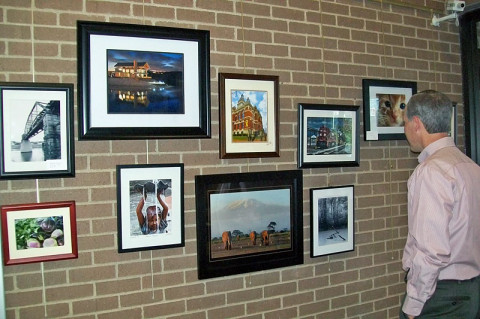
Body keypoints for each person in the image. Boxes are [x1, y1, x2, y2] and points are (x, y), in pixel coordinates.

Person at [400, 90, 480, 318]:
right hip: (471, 292)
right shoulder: (471, 167)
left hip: (441, 296)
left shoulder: (431, 172)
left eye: (405, 123)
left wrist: (414, 305)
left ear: (416, 123)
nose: (405, 130)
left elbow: (431, 250)